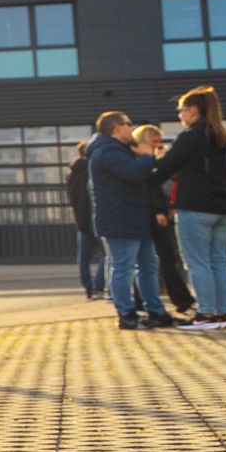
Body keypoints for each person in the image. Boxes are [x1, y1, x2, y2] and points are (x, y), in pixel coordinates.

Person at [152, 88, 226, 329]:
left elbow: (166, 167)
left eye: (181, 110)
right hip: (224, 208)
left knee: (197, 263)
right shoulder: (220, 136)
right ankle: (224, 313)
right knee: (218, 262)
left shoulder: (190, 136)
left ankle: (206, 314)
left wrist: (149, 167)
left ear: (192, 110)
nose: (179, 115)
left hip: (196, 207)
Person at [87, 109, 176, 330]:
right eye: (129, 123)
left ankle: (155, 311)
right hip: (119, 219)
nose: (132, 127)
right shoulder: (106, 151)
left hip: (137, 217)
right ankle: (126, 314)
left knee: (148, 265)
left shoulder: (121, 150)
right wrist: (147, 157)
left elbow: (143, 176)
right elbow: (133, 172)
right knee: (123, 266)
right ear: (117, 128)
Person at [135, 125, 200, 317]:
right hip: (152, 214)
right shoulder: (142, 162)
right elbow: (150, 187)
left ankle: (145, 301)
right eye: (154, 142)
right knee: (163, 259)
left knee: (156, 260)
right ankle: (181, 300)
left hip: (157, 213)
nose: (158, 145)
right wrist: (158, 211)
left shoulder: (149, 160)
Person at [65, 141, 103, 299]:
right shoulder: (94, 169)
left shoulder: (72, 173)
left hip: (81, 219)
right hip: (96, 217)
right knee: (107, 254)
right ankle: (99, 285)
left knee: (83, 257)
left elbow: (72, 197)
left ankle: (88, 287)